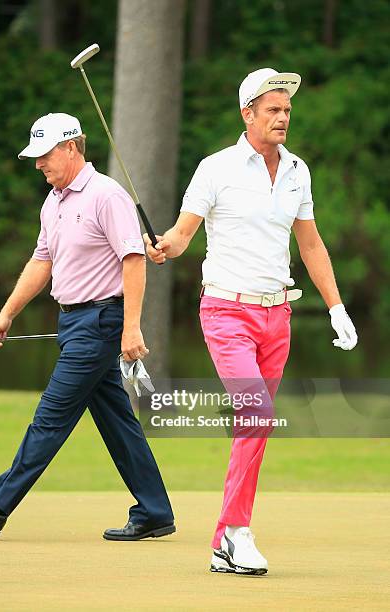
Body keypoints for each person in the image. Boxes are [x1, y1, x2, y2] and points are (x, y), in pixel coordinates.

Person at [144, 69, 357, 574]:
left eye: (286, 110)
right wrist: (165, 248)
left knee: (255, 425)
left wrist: (336, 306)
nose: (283, 118)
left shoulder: (298, 171)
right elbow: (181, 234)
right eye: (273, 110)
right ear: (248, 114)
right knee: (257, 414)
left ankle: (226, 539)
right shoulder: (215, 168)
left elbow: (310, 243)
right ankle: (235, 533)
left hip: (276, 316)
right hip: (226, 312)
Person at [0, 112, 175, 541]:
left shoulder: (106, 195)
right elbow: (41, 262)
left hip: (100, 321)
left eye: (44, 155)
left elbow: (133, 260)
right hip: (72, 321)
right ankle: (156, 511)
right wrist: (7, 312)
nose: (38, 165)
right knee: (118, 423)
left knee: (50, 417)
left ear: (71, 147)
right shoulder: (54, 200)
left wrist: (131, 328)